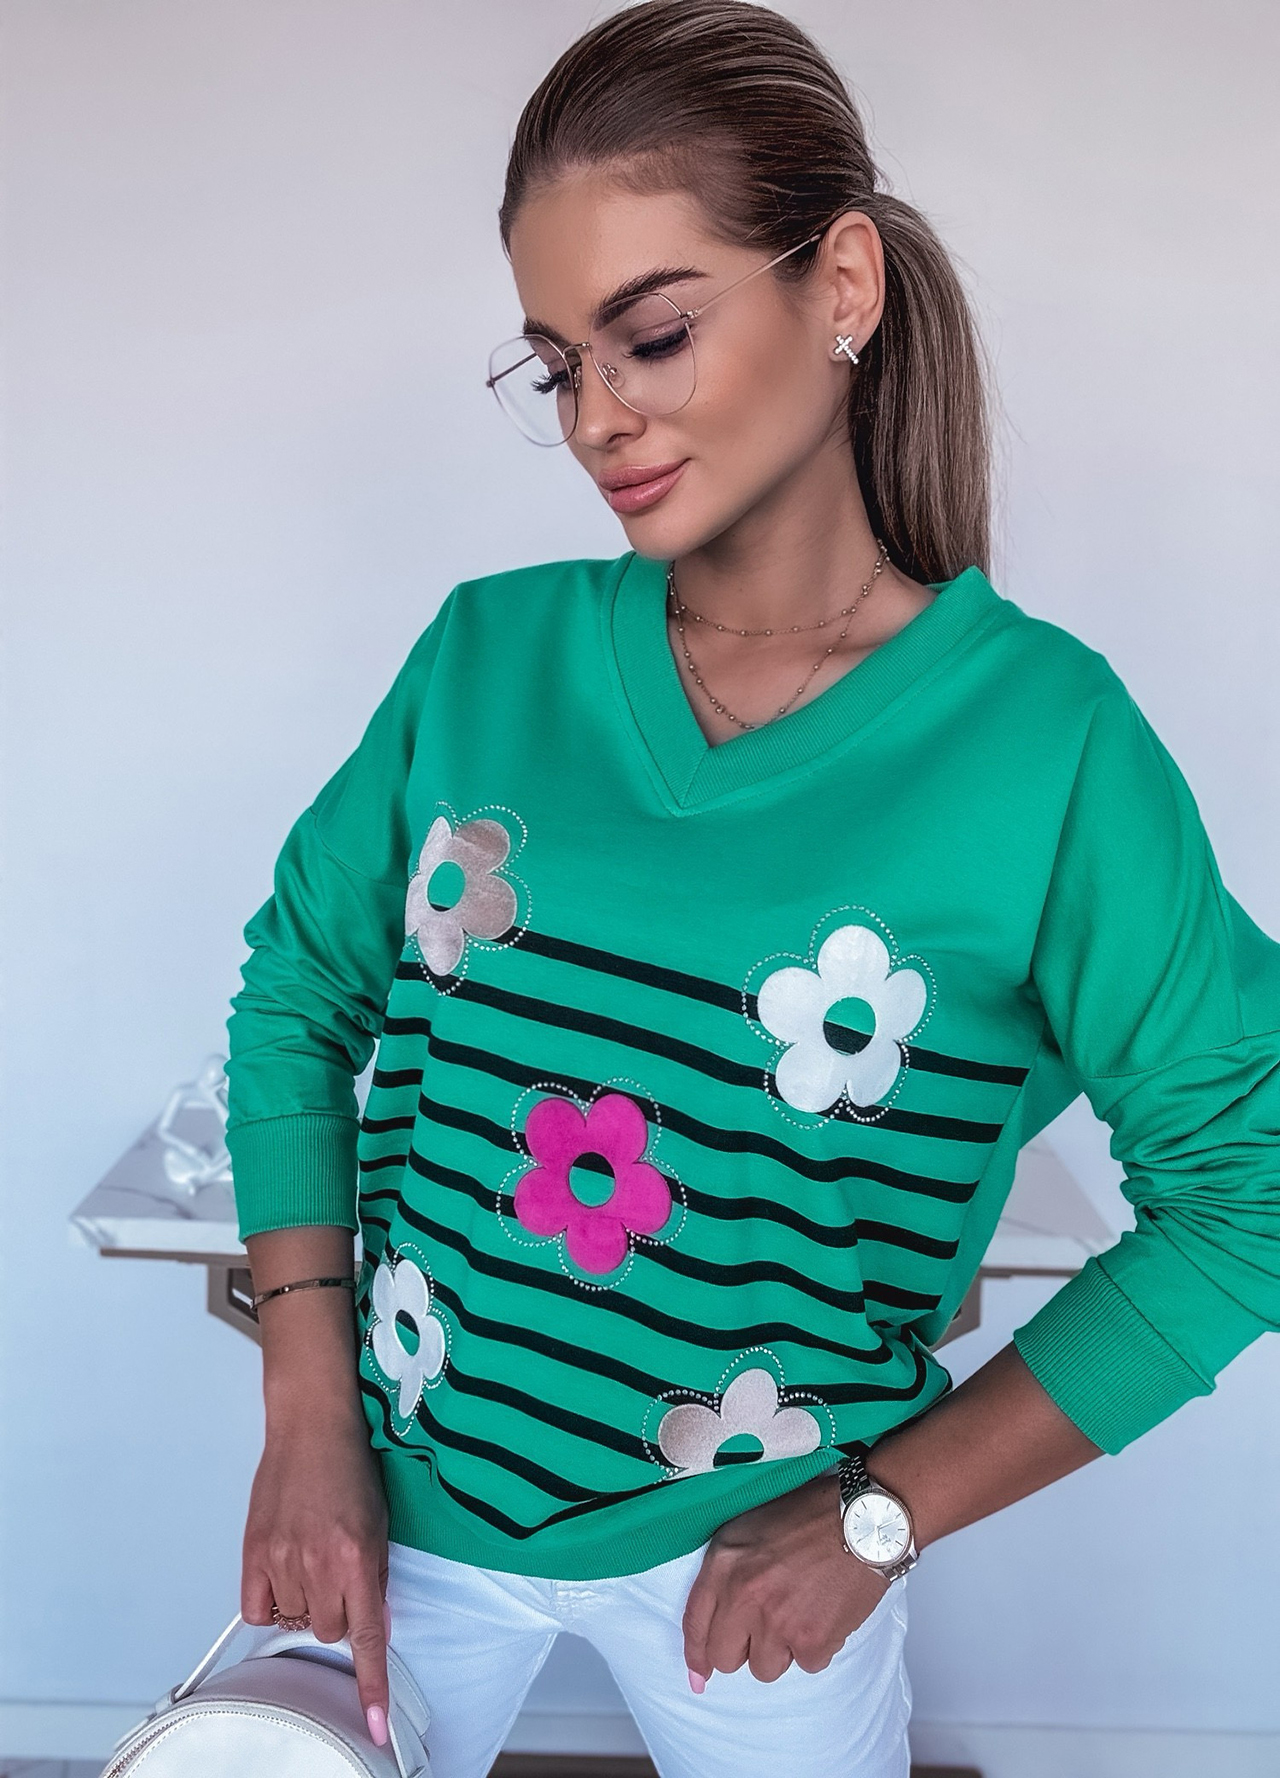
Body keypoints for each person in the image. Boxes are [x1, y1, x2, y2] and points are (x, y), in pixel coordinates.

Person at [222, 4, 1280, 1775]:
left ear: (842, 282)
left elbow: (1252, 1184)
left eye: (651, 335)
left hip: (758, 1559)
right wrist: (305, 1403)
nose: (596, 418)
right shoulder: (485, 659)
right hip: (391, 1507)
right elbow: (296, 992)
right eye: (555, 364)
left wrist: (884, 1514)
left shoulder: (1046, 746)